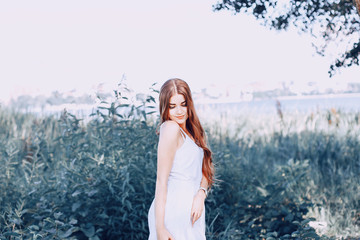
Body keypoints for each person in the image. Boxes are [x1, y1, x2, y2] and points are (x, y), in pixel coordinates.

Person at [148, 78, 215, 240]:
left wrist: (201, 194)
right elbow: (161, 181)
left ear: (189, 104)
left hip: (192, 211)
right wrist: (160, 228)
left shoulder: (193, 133)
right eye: (172, 106)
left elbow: (205, 170)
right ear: (165, 107)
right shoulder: (171, 128)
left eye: (183, 104)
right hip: (173, 209)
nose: (179, 111)